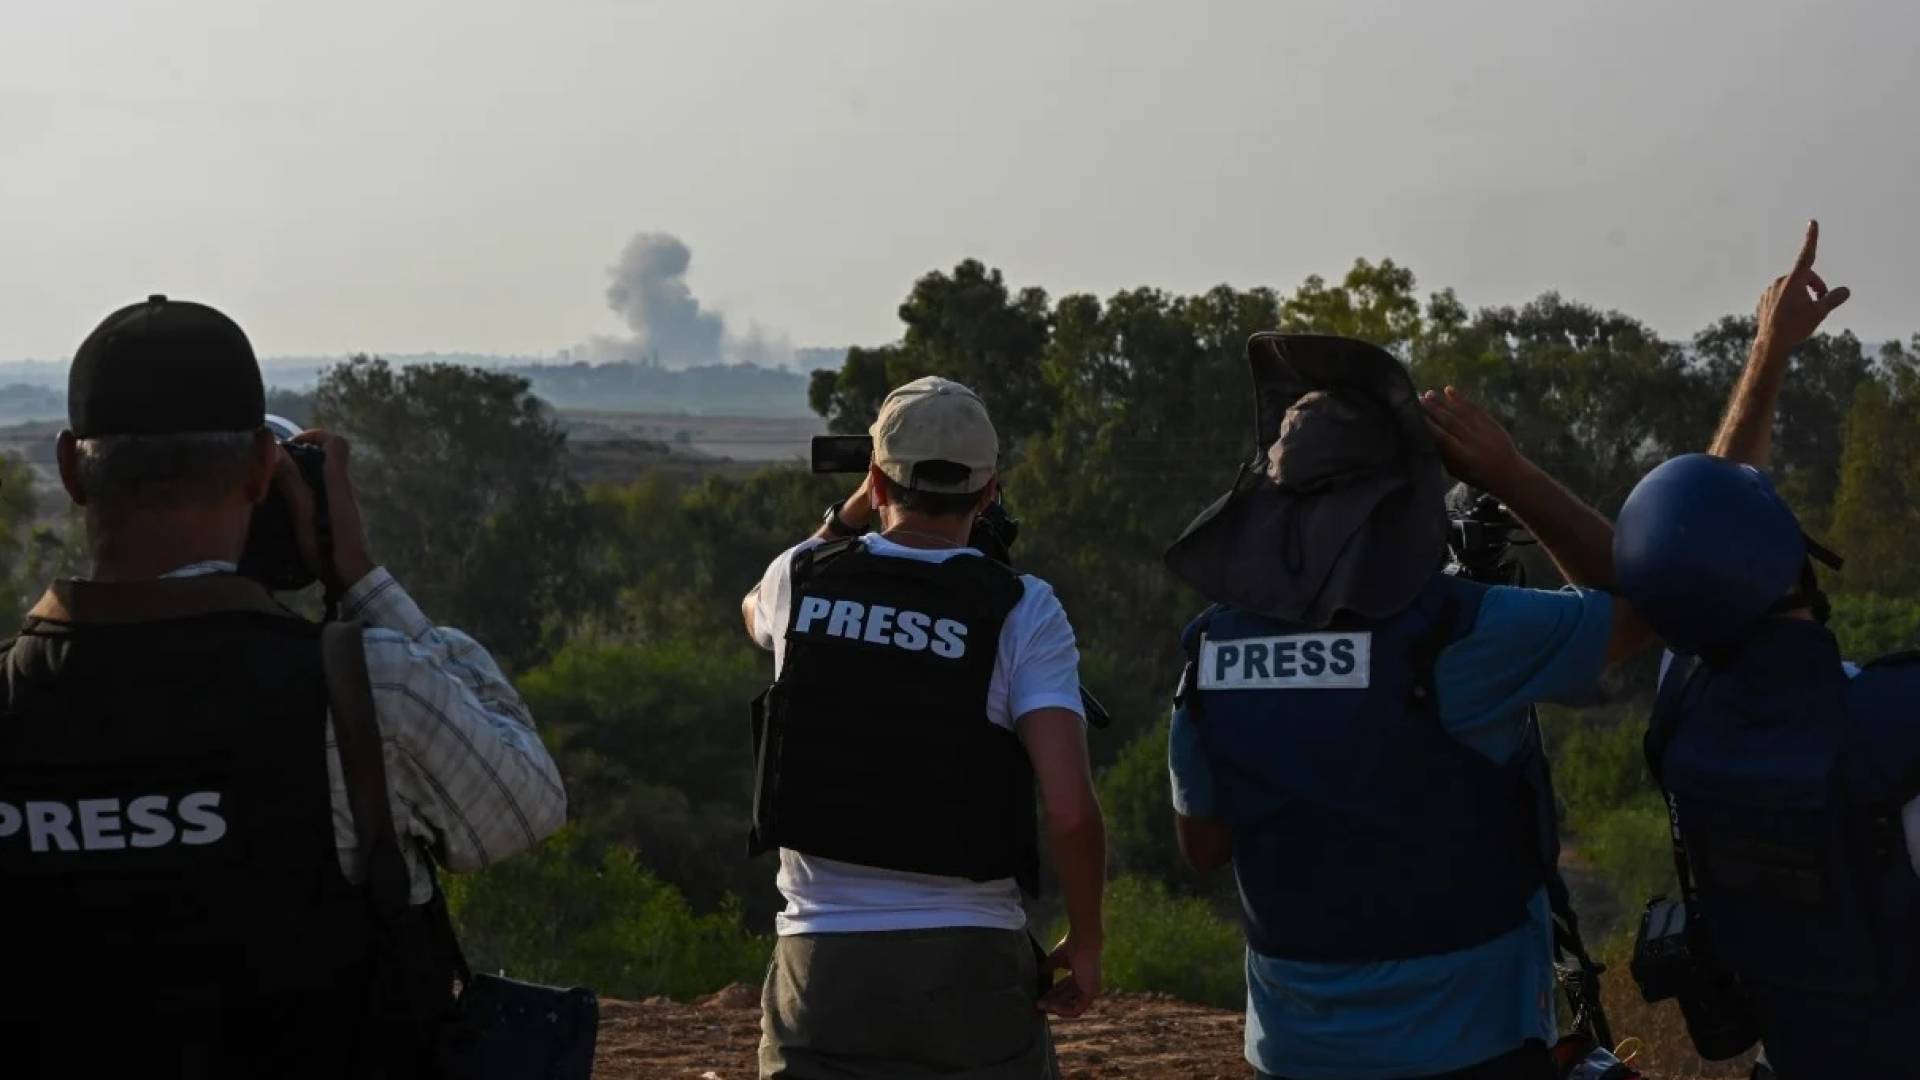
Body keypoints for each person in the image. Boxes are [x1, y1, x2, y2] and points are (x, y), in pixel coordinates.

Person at [0, 296, 568, 1078]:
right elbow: (524, 805)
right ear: (264, 472)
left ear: (71, 469)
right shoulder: (365, 690)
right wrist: (359, 576)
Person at [1161, 332, 1650, 1080]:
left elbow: (1204, 847)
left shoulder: (1211, 650)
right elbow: (1639, 607)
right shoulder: (1466, 629)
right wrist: (1509, 472)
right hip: (1470, 1045)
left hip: (1292, 1051)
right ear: (1403, 498)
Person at [1614, 223, 1916, 1080]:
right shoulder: (1889, 732)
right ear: (1792, 562)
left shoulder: (1686, 715)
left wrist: (1766, 354)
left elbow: (1694, 537)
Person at [740, 376, 1105, 1080]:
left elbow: (753, 607)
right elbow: (1070, 810)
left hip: (821, 964)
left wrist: (852, 511)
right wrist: (1085, 942)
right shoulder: (1024, 609)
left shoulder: (801, 576)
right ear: (990, 492)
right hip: (971, 959)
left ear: (876, 480)